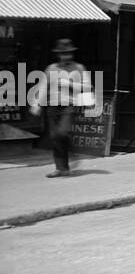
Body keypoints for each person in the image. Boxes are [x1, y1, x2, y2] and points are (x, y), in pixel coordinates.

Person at [29, 40, 93, 178]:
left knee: (62, 133)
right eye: (63, 54)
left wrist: (69, 83)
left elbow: (87, 87)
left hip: (69, 105)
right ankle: (61, 168)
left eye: (68, 53)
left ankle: (71, 152)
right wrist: (37, 104)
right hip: (52, 106)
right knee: (54, 137)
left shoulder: (79, 68)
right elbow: (43, 87)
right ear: (58, 54)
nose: (66, 56)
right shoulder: (51, 68)